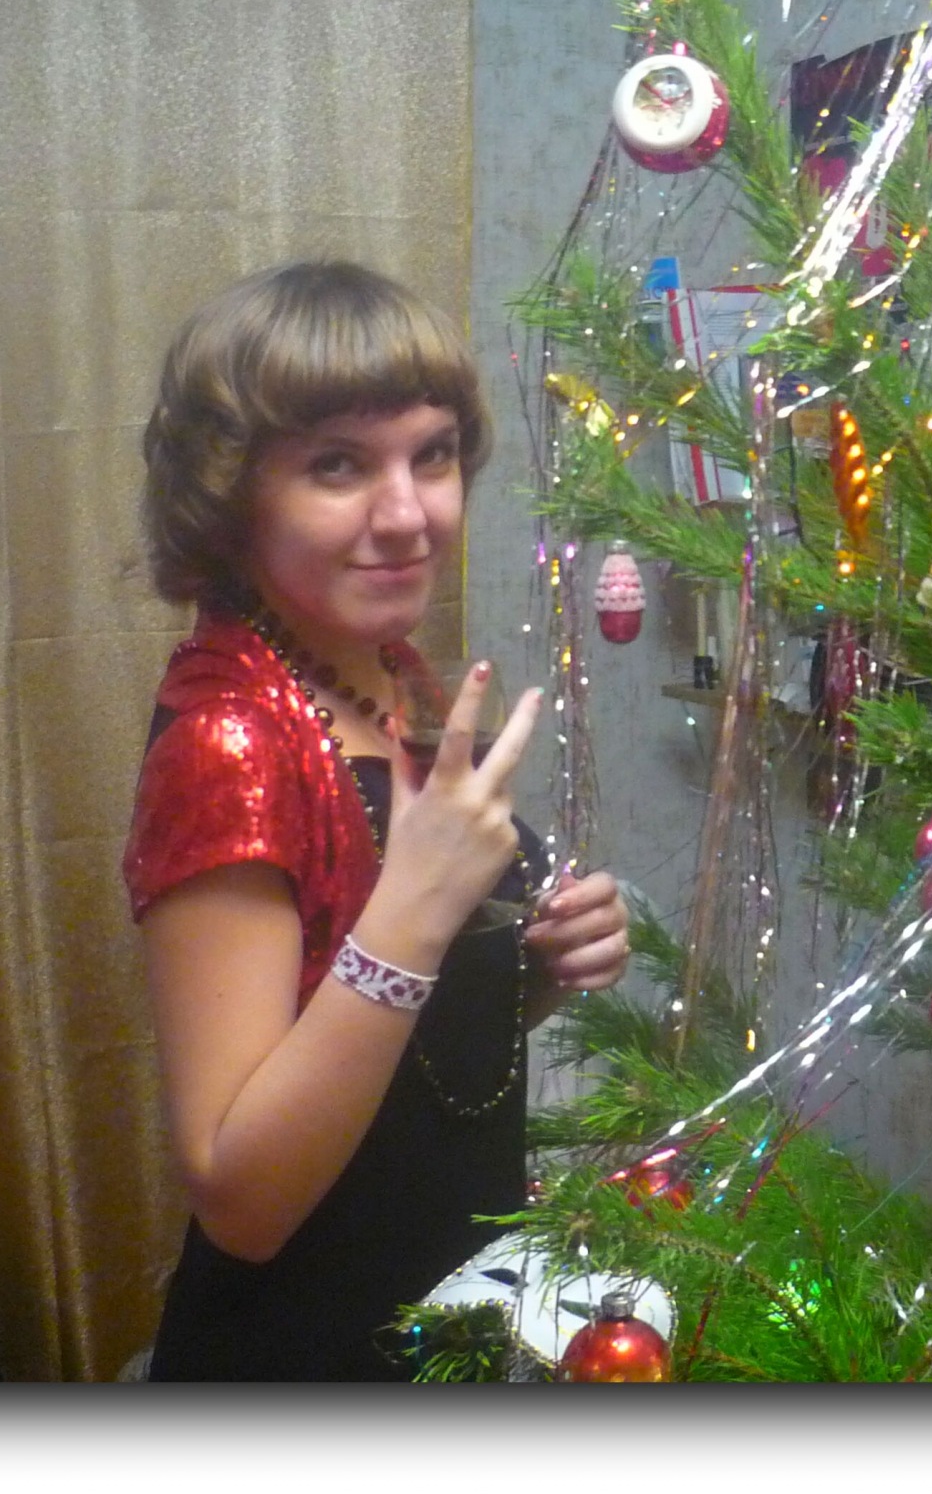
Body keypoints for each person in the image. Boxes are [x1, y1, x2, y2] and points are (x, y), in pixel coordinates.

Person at [123, 260, 630, 1380]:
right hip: (306, 1355)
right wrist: (417, 908)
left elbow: (386, 1054)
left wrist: (532, 967)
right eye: (338, 465)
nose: (406, 516)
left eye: (432, 455)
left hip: (451, 1313)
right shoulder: (230, 740)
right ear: (232, 494)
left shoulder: (391, 678)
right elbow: (241, 1200)